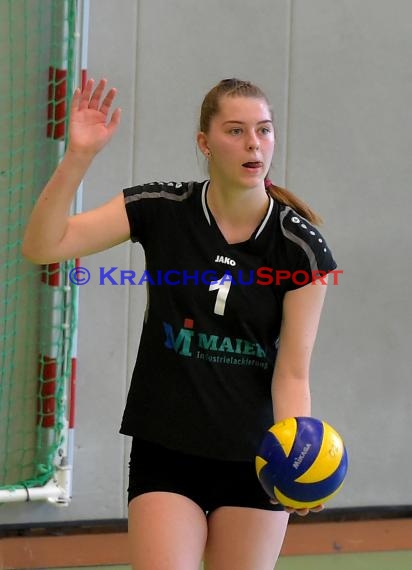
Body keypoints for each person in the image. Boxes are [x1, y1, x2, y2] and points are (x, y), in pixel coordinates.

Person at [23, 77, 337, 570]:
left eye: (264, 130)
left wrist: (296, 459)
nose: (254, 143)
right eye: (235, 131)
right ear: (204, 143)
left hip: (252, 461)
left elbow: (292, 373)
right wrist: (79, 156)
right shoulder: (163, 209)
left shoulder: (300, 248)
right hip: (167, 449)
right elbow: (43, 246)